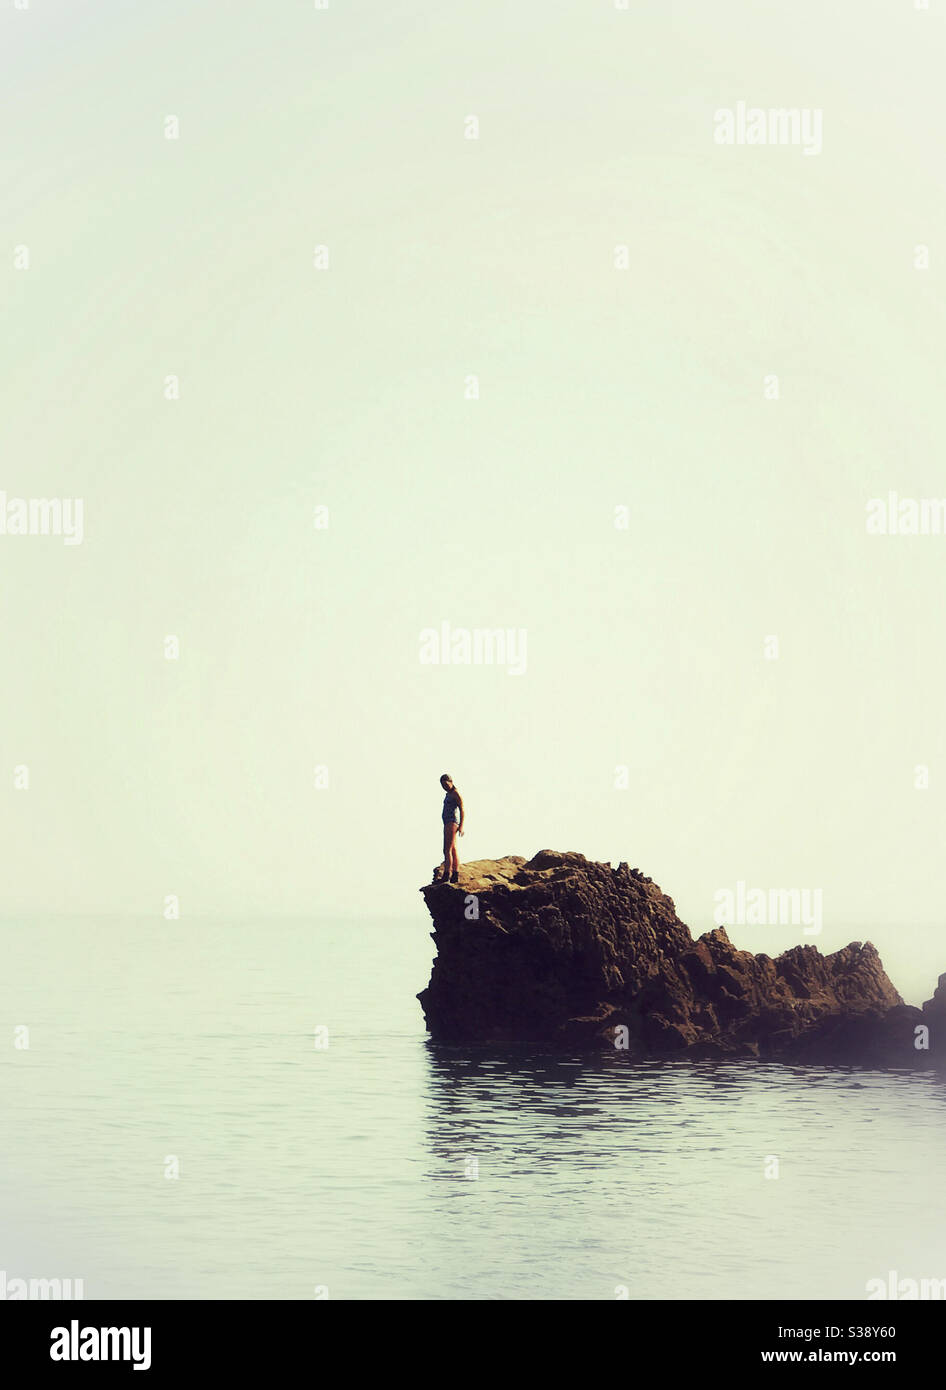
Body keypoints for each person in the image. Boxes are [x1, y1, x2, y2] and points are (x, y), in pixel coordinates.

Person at [439, 773, 464, 883]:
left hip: (451, 822)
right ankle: (455, 874)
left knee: (446, 849)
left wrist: (461, 825)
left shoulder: (455, 793)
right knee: (452, 849)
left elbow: (462, 809)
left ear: (451, 782)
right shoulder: (448, 794)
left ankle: (446, 874)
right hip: (448, 822)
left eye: (445, 784)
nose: (444, 786)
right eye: (442, 785)